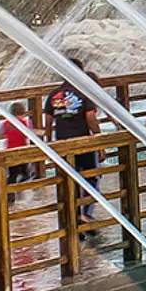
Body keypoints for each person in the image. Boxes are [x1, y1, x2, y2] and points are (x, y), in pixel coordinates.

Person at [45, 71, 102, 217]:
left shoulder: (53, 94)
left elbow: (49, 121)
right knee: (92, 176)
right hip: (83, 142)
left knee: (71, 178)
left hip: (62, 142)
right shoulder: (83, 93)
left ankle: (75, 214)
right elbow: (90, 118)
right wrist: (100, 142)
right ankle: (87, 213)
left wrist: (49, 142)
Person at [1, 105, 37, 194]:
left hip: (10, 152)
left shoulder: (6, 123)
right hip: (22, 152)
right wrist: (40, 132)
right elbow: (29, 133)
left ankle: (9, 193)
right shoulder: (24, 122)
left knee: (13, 174)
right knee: (26, 174)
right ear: (23, 113)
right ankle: (20, 189)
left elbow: (0, 132)